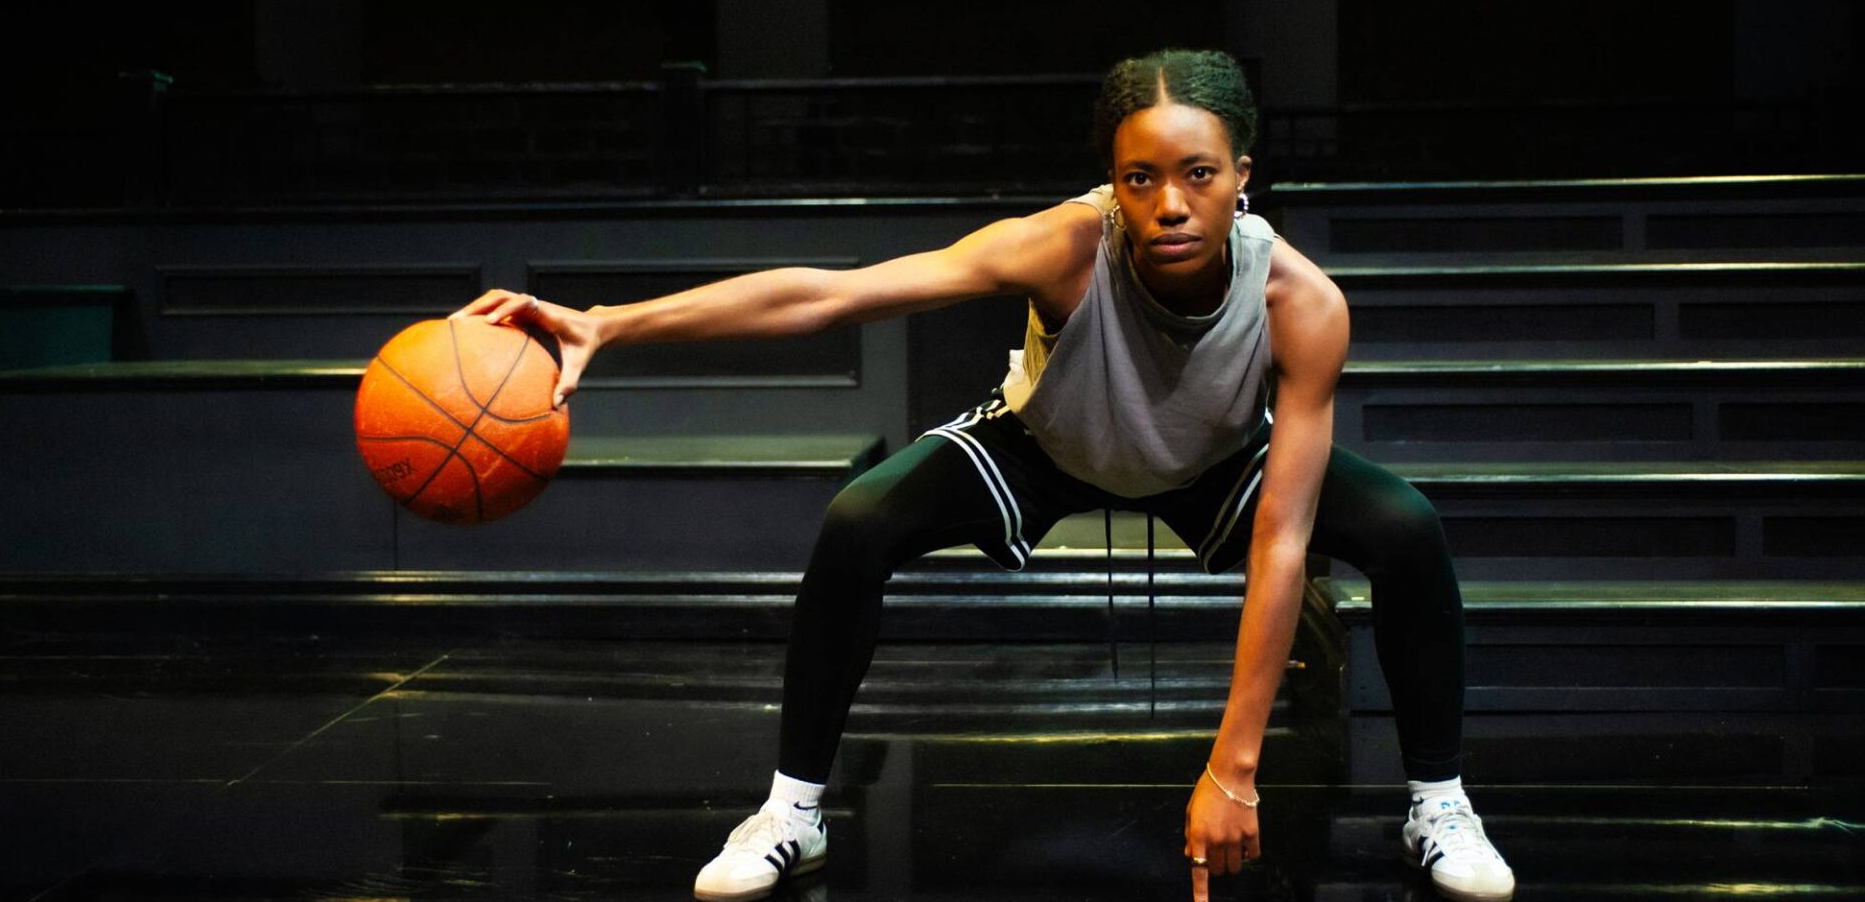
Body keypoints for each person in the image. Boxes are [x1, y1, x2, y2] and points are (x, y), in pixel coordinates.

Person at [453, 49, 1516, 902]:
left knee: (1407, 528)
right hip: (1043, 443)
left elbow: (1283, 540)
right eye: (1140, 177)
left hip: (1211, 458)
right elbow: (829, 295)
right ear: (1113, 184)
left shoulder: (1302, 303)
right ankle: (792, 807)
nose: (1171, 203)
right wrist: (607, 322)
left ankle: (1439, 799)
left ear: (1245, 176)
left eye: (1199, 173)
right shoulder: (1062, 246)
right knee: (860, 518)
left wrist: (1233, 767)